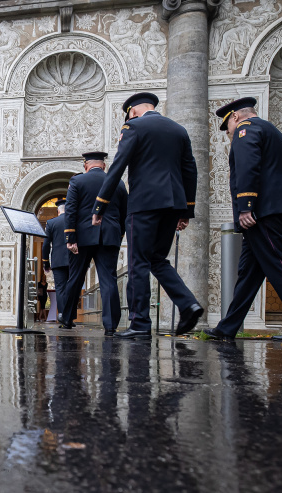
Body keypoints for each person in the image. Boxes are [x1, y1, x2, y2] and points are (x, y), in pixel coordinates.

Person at [204, 98, 282, 342]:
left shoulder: (246, 130)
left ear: (235, 117)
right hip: (275, 209)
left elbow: (248, 168)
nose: (228, 132)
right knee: (248, 274)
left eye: (227, 127)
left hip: (261, 213)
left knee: (278, 266)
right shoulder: (272, 131)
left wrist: (246, 207)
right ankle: (228, 327)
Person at [93, 92, 205, 339]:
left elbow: (118, 166)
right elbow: (190, 170)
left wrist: (100, 205)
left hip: (144, 204)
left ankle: (140, 323)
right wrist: (186, 210)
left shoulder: (133, 127)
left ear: (132, 111)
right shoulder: (179, 130)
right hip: (173, 204)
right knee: (157, 259)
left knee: (138, 262)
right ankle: (188, 303)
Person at [58, 152, 128, 336]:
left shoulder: (77, 182)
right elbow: (124, 213)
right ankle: (111, 325)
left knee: (75, 278)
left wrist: (70, 237)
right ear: (104, 165)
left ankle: (67, 318)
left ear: (86, 165)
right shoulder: (118, 183)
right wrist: (119, 235)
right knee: (108, 280)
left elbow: (70, 210)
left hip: (82, 238)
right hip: (109, 236)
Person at [40, 199, 71, 325]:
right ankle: (71, 317)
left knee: (60, 289)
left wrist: (45, 262)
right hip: (73, 261)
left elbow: (46, 244)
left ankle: (63, 317)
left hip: (58, 261)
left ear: (58, 211)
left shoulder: (51, 222)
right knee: (72, 288)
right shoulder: (74, 221)